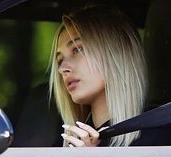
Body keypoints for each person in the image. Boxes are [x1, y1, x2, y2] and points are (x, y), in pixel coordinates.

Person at [49, 4, 147, 147]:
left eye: (77, 49)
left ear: (116, 53)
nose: (62, 69)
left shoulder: (154, 142)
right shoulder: (68, 144)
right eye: (60, 60)